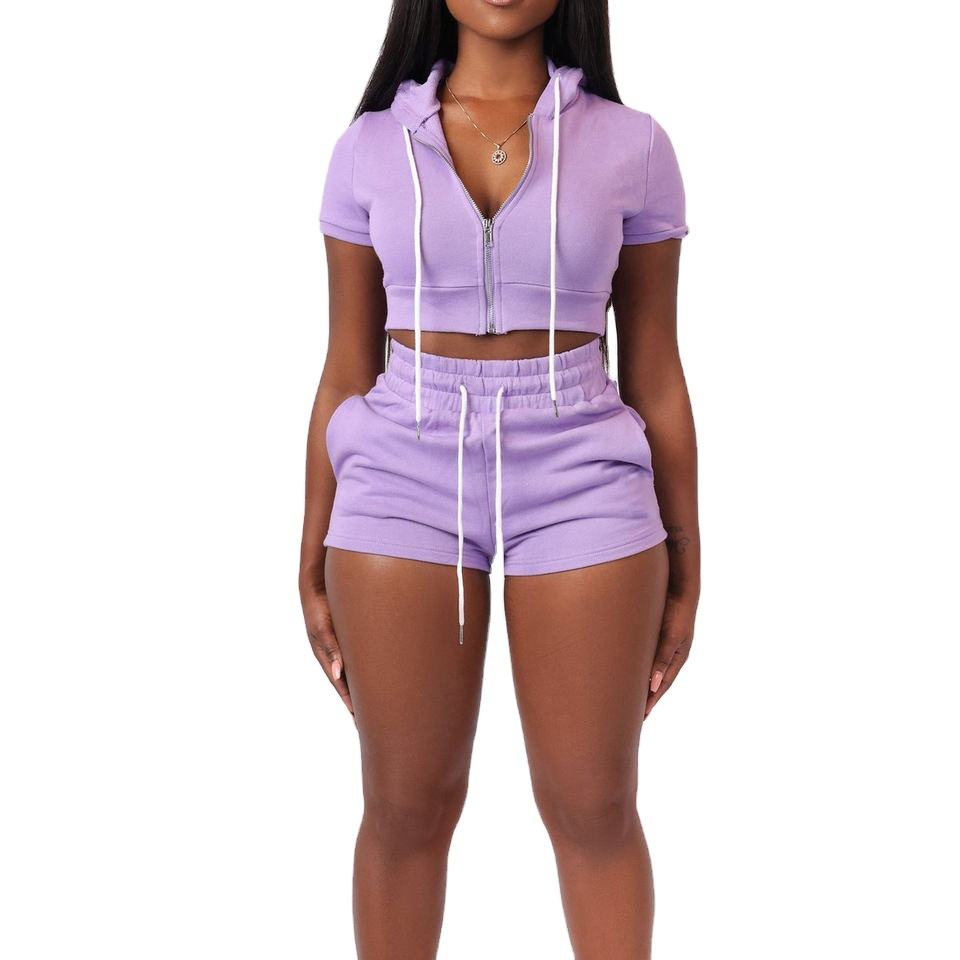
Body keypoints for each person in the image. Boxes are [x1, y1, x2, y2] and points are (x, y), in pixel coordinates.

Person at [299, 1, 700, 956]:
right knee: (407, 805)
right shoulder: (367, 149)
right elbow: (346, 368)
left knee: (593, 804)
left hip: (582, 469)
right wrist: (311, 547)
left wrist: (687, 559)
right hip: (401, 466)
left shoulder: (635, 147)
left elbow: (656, 372)